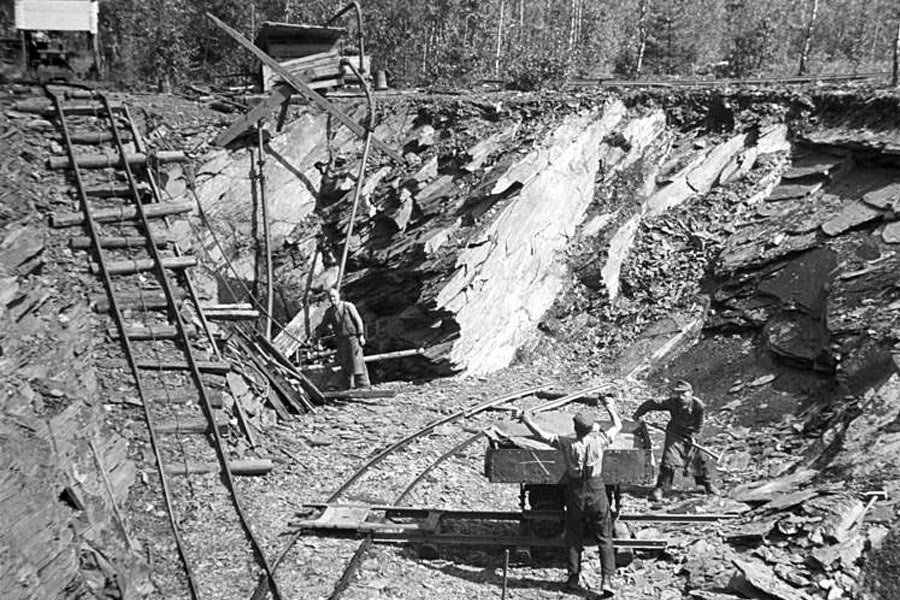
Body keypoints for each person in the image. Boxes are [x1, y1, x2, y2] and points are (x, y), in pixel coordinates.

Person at [519, 399, 622, 595]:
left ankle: (573, 578)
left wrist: (526, 419)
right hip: (597, 490)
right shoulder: (600, 441)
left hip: (575, 492)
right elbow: (618, 425)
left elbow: (541, 435)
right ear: (591, 428)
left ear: (575, 428)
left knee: (574, 535)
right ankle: (606, 580)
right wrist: (610, 406)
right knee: (604, 536)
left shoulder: (567, 444)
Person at [632, 380, 718, 501]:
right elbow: (652, 403)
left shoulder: (699, 406)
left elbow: (699, 424)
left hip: (692, 434)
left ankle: (706, 484)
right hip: (674, 433)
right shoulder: (672, 402)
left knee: (699, 459)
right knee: (668, 460)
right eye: (678, 394)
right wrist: (638, 414)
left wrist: (694, 437)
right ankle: (661, 488)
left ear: (691, 393)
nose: (681, 397)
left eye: (684, 393)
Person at [321, 287, 370, 389]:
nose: (332, 299)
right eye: (330, 298)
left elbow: (358, 320)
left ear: (338, 296)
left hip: (353, 338)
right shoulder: (329, 312)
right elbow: (323, 325)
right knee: (344, 362)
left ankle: (363, 385)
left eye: (334, 297)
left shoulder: (348, 306)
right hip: (340, 340)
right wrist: (317, 338)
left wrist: (361, 335)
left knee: (357, 361)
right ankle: (347, 386)